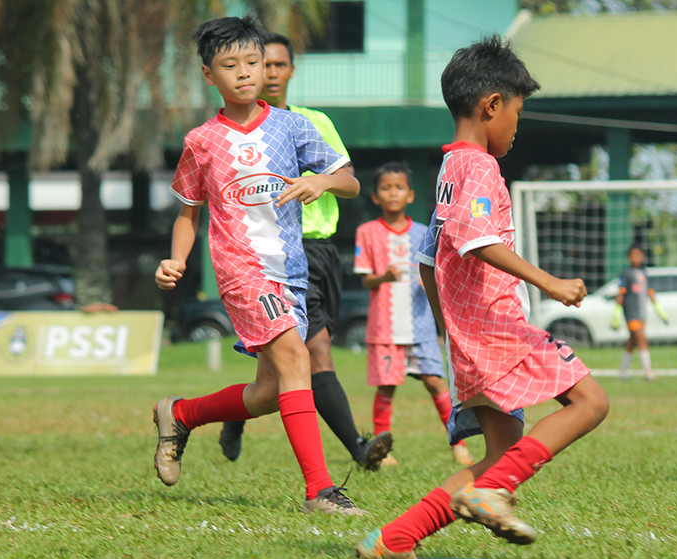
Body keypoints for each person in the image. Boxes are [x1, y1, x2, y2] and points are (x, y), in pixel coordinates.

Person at [356, 36, 609, 559]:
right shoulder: (481, 169)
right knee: (590, 403)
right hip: (497, 329)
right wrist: (550, 283)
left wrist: (449, 331)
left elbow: (429, 259)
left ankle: (393, 539)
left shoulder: (449, 171)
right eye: (517, 114)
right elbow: (475, 240)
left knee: (499, 455)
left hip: (471, 337)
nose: (517, 128)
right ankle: (491, 493)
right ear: (492, 105)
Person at [152, 16, 365, 515]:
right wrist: (176, 259)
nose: (246, 73)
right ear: (209, 75)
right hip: (242, 271)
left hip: (293, 270)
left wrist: (324, 182)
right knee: (298, 361)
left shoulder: (293, 126)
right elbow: (188, 214)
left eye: (254, 62)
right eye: (231, 65)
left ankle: (180, 414)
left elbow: (350, 180)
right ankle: (320, 491)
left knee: (271, 391)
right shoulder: (201, 141)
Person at [217, 31, 392, 472]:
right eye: (262, 64)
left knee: (273, 381)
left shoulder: (310, 122)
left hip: (321, 255)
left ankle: (233, 415)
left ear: (290, 70)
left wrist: (323, 180)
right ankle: (356, 447)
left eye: (276, 65)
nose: (268, 73)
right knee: (317, 352)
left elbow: (348, 178)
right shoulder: (226, 133)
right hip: (269, 258)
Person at [353, 161, 474, 467]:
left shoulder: (423, 232)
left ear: (410, 195)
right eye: (385, 188)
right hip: (385, 329)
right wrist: (384, 277)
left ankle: (456, 443)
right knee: (387, 387)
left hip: (420, 327)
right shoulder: (366, 233)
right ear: (375, 196)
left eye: (399, 187)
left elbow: (435, 272)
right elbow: (366, 278)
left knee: (436, 383)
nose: (392, 193)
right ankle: (383, 451)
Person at [614, 245, 667, 381]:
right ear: (629, 257)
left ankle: (623, 372)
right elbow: (621, 293)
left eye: (639, 255)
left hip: (641, 312)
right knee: (642, 338)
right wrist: (616, 314)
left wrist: (660, 311)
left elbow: (649, 292)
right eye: (633, 255)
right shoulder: (626, 274)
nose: (636, 258)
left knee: (632, 341)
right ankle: (648, 371)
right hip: (631, 312)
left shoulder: (644, 273)